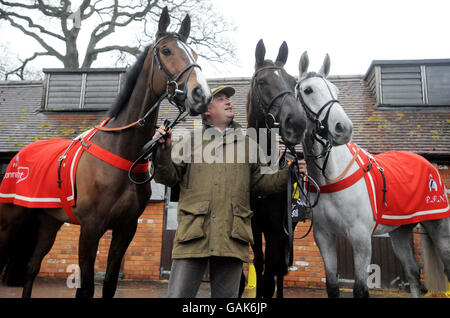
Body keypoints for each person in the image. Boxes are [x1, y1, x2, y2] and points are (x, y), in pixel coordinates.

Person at [153, 85, 305, 298]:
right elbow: (167, 177)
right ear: (207, 110)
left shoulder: (249, 144)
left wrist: (290, 174)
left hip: (232, 238)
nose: (228, 102)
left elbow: (263, 182)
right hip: (193, 235)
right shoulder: (188, 141)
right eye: (221, 98)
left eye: (228, 99)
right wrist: (163, 151)